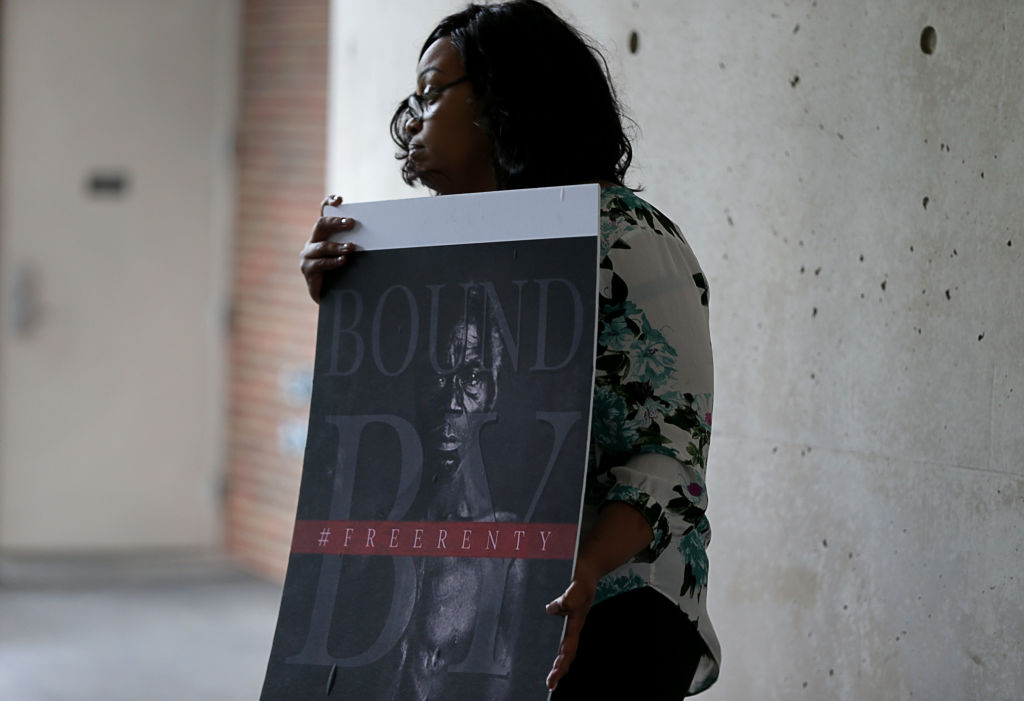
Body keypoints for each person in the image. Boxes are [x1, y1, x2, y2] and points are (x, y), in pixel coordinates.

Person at [300, 1, 720, 698]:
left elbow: (670, 459)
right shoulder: (446, 250)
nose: (413, 118)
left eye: (434, 93)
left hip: (612, 608)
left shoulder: (627, 240)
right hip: (474, 596)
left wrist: (583, 568)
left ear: (507, 101)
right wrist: (348, 310)